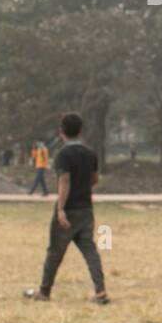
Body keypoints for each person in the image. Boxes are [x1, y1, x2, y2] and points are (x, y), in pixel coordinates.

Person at [24, 113, 108, 303]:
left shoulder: (62, 155)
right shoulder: (90, 154)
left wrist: (61, 208)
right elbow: (94, 179)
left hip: (68, 210)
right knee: (90, 252)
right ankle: (100, 291)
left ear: (61, 132)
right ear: (80, 131)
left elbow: (64, 180)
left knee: (55, 252)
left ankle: (44, 292)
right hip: (86, 209)